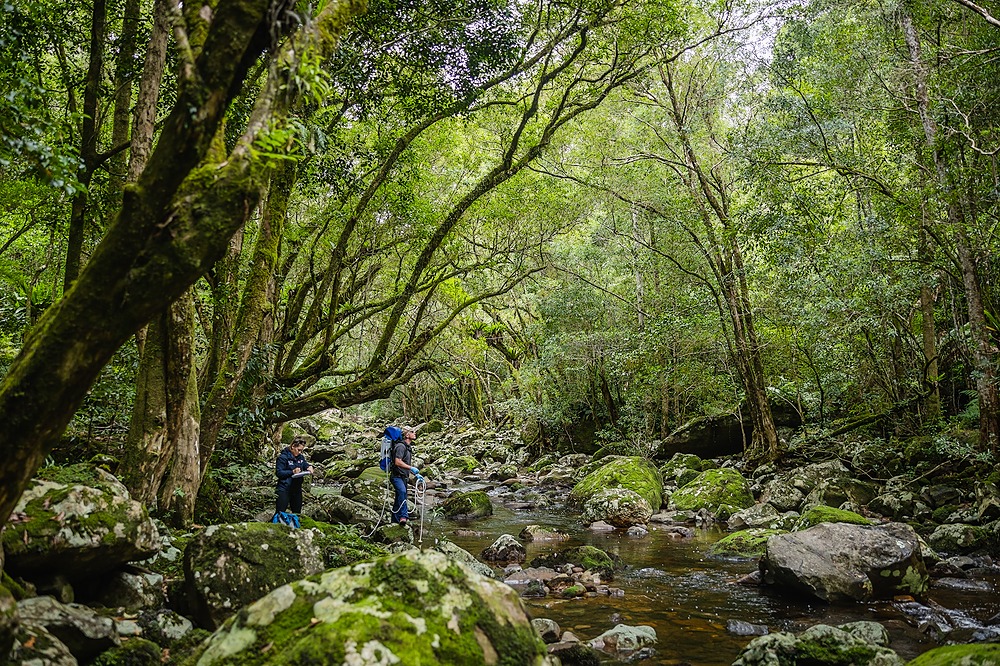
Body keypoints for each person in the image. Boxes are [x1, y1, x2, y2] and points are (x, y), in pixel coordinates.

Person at [275, 434, 313, 516]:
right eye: (298, 450)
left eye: (301, 451)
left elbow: (305, 464)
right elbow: (279, 473)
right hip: (284, 488)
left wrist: (309, 467)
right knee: (280, 513)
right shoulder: (282, 457)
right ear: (293, 447)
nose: (300, 452)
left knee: (297, 513)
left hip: (296, 489)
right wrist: (292, 472)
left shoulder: (300, 457)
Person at [391, 427, 422, 525]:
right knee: (402, 493)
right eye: (412, 432)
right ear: (407, 435)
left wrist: (415, 474)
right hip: (396, 476)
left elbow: (404, 463)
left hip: (403, 477)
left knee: (399, 498)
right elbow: (397, 462)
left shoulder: (408, 447)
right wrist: (411, 468)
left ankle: (394, 520)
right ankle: (403, 517)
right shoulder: (401, 446)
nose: (415, 433)